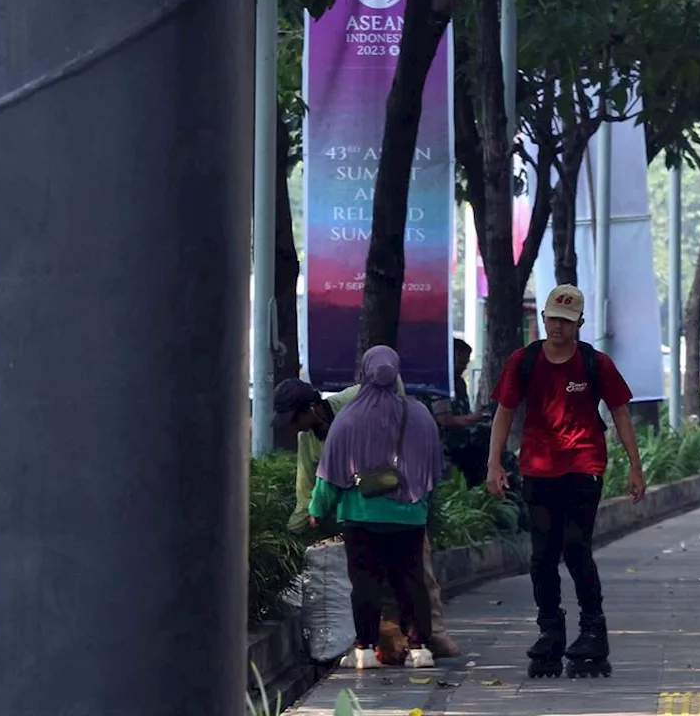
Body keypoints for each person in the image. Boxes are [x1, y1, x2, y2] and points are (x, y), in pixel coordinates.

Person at [486, 284, 647, 679]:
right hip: (538, 469)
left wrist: (635, 466)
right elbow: (505, 412)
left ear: (580, 323)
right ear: (543, 319)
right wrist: (494, 463)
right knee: (541, 557)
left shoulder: (596, 363)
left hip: (583, 466)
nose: (558, 327)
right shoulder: (523, 361)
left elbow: (621, 413)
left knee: (576, 549)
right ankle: (550, 631)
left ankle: (593, 629)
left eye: (567, 321)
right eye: (552, 319)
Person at [273, 376, 461, 663]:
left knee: (416, 575)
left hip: (398, 502)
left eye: (295, 418)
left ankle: (431, 636)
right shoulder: (307, 439)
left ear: (311, 408)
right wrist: (295, 530)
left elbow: (392, 381)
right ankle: (395, 643)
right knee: (376, 582)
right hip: (363, 513)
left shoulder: (352, 404)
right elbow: (308, 487)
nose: (293, 427)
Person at [308, 346, 445, 670]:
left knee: (366, 583)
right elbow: (434, 468)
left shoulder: (349, 419)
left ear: (365, 373)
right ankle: (420, 648)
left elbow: (330, 473)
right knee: (411, 580)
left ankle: (365, 649)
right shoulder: (420, 415)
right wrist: (419, 502)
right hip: (409, 515)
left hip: (361, 515)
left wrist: (318, 508)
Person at [425, 338, 492, 487]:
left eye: (466, 364)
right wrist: (473, 418)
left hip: (462, 442)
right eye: (461, 363)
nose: (464, 368)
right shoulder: (438, 382)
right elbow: (445, 420)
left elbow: (463, 412)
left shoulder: (459, 383)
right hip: (442, 448)